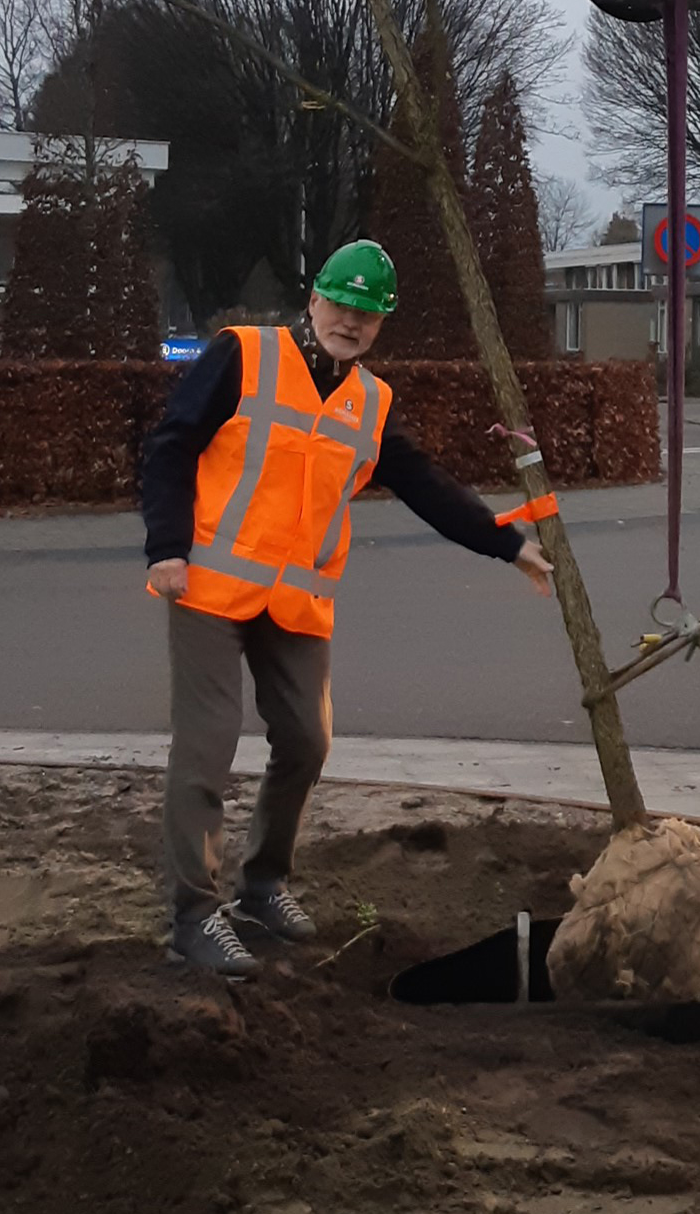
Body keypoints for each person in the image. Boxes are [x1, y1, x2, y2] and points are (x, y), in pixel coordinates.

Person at [141, 239, 555, 977]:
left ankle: (262, 886)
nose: (352, 323)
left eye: (369, 314)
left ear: (380, 325)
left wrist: (507, 544)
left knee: (307, 739)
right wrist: (166, 545)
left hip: (295, 601)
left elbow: (424, 484)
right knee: (206, 744)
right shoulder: (242, 355)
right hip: (207, 583)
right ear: (314, 301)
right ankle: (193, 918)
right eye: (341, 305)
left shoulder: (370, 403)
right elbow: (171, 445)